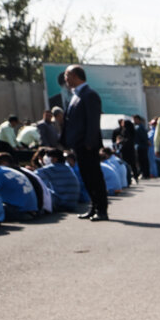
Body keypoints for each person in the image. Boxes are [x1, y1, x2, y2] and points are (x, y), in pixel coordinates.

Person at [61, 65, 108, 221]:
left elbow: (93, 121)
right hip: (78, 145)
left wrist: (89, 142)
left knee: (95, 177)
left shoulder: (89, 95)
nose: (65, 80)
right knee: (87, 178)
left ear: (75, 75)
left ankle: (102, 210)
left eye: (67, 76)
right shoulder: (75, 95)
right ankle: (93, 207)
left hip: (88, 145)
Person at [37, 147, 83, 213]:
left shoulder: (51, 168)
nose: (45, 159)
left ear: (55, 159)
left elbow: (34, 176)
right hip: (72, 204)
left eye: (47, 157)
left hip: (59, 204)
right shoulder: (67, 167)